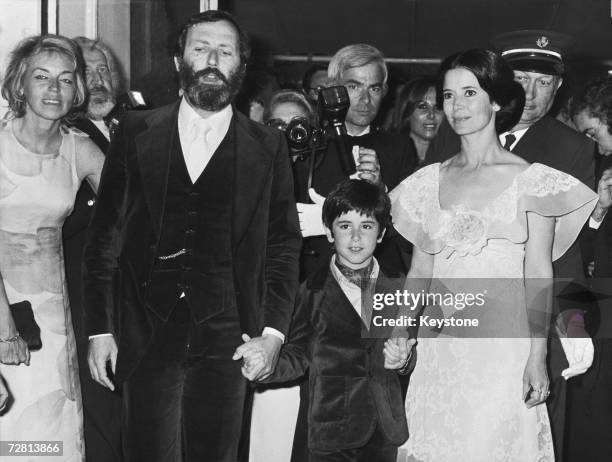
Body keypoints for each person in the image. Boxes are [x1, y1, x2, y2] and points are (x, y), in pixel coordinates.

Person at [84, 10, 301, 462]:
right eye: (200, 48)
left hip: (230, 336)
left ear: (241, 65)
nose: (211, 59)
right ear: (178, 58)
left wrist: (273, 334)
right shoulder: (134, 132)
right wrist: (100, 329)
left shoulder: (268, 145)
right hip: (144, 329)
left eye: (224, 51)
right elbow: (104, 238)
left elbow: (282, 246)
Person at [390, 48, 598, 461]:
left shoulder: (533, 181)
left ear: (498, 100)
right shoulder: (426, 182)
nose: (456, 106)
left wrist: (538, 355)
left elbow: (538, 273)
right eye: (448, 96)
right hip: (441, 347)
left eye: (470, 92)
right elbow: (420, 270)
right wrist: (400, 332)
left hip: (503, 352)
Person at [243, 179, 416, 462]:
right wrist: (265, 363)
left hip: (384, 431)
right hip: (329, 433)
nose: (356, 238)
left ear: (382, 233)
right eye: (345, 226)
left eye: (367, 226)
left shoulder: (401, 288)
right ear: (328, 232)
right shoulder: (309, 292)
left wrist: (405, 360)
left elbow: (410, 350)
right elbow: (298, 355)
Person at [0, 34, 104, 461]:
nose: (54, 89)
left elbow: (138, 208)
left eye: (65, 79)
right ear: (20, 83)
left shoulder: (78, 148)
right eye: (41, 77)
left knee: (49, 442)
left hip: (52, 321)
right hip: (4, 312)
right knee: (11, 437)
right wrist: (4, 328)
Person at [297, 43, 418, 280]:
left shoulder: (399, 148)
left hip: (379, 285)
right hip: (315, 286)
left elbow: (411, 232)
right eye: (354, 86)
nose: (365, 99)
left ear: (384, 91)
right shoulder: (307, 147)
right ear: (332, 89)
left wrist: (381, 190)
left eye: (373, 88)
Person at [248, 88, 317, 462]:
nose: (289, 134)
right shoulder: (248, 173)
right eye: (277, 124)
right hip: (266, 305)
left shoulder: (326, 173)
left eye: (299, 125)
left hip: (313, 305)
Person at [63, 36, 123, 462]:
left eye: (104, 71)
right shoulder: (64, 137)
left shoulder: (133, 126)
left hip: (134, 299)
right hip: (86, 297)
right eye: (86, 72)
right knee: (99, 410)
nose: (98, 81)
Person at [567, 77, 612, 462]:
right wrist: (598, 212)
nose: (593, 143)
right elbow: (585, 248)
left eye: (594, 132)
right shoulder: (603, 169)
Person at [384, 77, 443, 164]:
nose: (431, 115)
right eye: (423, 106)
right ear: (407, 112)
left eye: (438, 107)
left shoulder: (455, 159)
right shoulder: (387, 157)